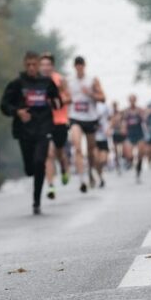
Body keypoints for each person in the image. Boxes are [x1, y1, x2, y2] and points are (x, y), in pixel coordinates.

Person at [0, 51, 62, 214]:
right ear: (24, 65)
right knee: (30, 168)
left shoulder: (46, 82)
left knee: (40, 161)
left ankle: (36, 201)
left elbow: (57, 100)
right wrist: (17, 112)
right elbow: (4, 105)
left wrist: (55, 102)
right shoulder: (17, 84)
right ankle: (32, 173)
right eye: (29, 65)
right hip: (25, 131)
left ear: (38, 65)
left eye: (35, 64)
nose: (32, 68)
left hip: (44, 127)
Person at [67, 56, 106, 192]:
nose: (79, 67)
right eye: (77, 65)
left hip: (90, 119)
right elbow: (65, 97)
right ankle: (81, 180)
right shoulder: (69, 82)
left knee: (91, 151)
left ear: (84, 66)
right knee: (77, 147)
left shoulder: (92, 80)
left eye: (81, 65)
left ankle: (90, 173)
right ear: (74, 67)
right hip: (75, 118)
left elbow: (103, 98)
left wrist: (90, 93)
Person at [39, 53, 72, 200]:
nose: (45, 67)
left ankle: (64, 169)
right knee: (49, 153)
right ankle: (51, 185)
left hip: (60, 120)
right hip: (45, 122)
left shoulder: (60, 80)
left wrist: (57, 100)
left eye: (48, 65)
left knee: (59, 152)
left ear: (52, 66)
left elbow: (69, 97)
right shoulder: (37, 81)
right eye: (43, 65)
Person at [121, 95, 148, 182]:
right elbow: (123, 122)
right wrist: (123, 128)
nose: (132, 101)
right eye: (130, 100)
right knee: (129, 155)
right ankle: (130, 162)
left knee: (140, 154)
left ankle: (138, 171)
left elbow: (145, 120)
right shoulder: (126, 111)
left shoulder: (139, 110)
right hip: (130, 134)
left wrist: (144, 114)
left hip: (139, 134)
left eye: (133, 100)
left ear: (135, 100)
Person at [94, 100, 112, 181]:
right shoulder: (89, 105)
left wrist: (109, 128)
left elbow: (112, 118)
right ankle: (100, 178)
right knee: (96, 161)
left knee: (103, 160)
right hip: (93, 139)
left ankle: (100, 174)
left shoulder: (104, 106)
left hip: (103, 138)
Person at [109, 101, 126, 170]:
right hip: (115, 133)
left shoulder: (120, 113)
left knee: (122, 149)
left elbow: (123, 122)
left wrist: (123, 128)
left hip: (120, 133)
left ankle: (122, 161)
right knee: (115, 150)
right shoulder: (111, 114)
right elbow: (111, 124)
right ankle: (117, 163)